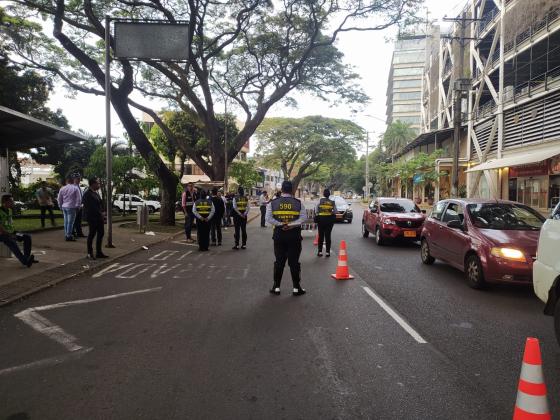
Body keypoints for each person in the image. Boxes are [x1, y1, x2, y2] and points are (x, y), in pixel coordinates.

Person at [265, 180, 307, 296]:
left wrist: (281, 224)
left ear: (282, 190)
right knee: (294, 262)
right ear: (292, 190)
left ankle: (276, 287)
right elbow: (303, 218)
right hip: (294, 236)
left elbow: (268, 218)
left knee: (279, 262)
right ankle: (296, 288)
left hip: (279, 235)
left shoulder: (272, 203)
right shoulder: (298, 203)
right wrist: (291, 225)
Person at [0, 194, 36, 267]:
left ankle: (27, 258)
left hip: (11, 232)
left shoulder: (9, 210)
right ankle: (25, 261)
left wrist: (14, 233)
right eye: (11, 201)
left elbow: (9, 223)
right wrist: (9, 234)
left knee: (27, 237)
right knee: (12, 242)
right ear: (5, 202)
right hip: (2, 234)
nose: (13, 202)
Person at [82, 177, 108, 259]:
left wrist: (103, 212)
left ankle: (99, 252)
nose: (99, 185)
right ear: (93, 184)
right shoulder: (87, 194)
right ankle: (90, 253)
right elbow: (90, 207)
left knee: (101, 233)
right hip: (92, 218)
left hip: (99, 217)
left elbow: (99, 203)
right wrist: (100, 213)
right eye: (97, 183)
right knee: (92, 234)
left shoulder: (96, 193)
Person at [57, 176, 82, 241]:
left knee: (66, 222)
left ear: (66, 181)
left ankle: (66, 234)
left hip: (64, 207)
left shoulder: (62, 188)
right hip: (72, 207)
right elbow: (78, 199)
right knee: (70, 222)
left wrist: (60, 206)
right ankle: (69, 235)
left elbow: (59, 199)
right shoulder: (75, 188)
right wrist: (78, 206)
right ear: (72, 181)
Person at [315, 188, 337, 257]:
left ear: (323, 194)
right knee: (328, 236)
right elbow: (335, 211)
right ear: (329, 195)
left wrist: (320, 213)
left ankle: (320, 252)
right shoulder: (332, 202)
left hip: (321, 220)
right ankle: (327, 252)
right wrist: (330, 212)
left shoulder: (320, 201)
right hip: (329, 220)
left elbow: (316, 210)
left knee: (321, 236)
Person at [72, 174, 86, 238]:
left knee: (79, 221)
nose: (78, 180)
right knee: (73, 220)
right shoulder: (72, 187)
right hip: (74, 206)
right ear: (74, 179)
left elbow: (81, 197)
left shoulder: (80, 188)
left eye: (79, 178)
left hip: (80, 206)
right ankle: (73, 233)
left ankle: (79, 233)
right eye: (77, 178)